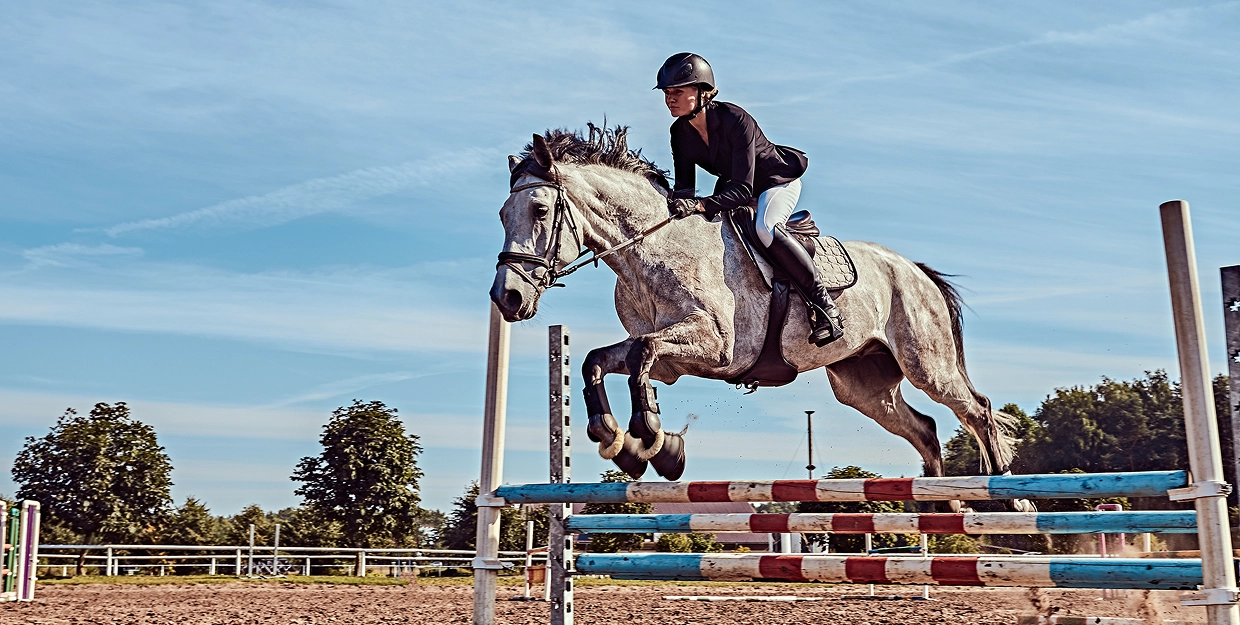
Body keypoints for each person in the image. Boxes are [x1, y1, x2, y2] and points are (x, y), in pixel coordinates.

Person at [658, 52, 844, 346]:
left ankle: (826, 310)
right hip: (735, 188)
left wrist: (702, 204)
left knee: (765, 228)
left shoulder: (735, 119)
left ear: (703, 92)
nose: (670, 98)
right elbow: (685, 191)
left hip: (774, 182)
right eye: (667, 93)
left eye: (678, 91)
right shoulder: (679, 133)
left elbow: (744, 191)